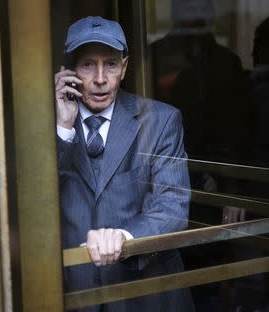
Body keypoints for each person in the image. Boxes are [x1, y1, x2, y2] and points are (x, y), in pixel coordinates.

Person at [54, 16, 194, 311]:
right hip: (73, 291)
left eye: (111, 64)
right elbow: (31, 206)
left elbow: (173, 207)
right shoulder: (45, 126)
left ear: (125, 67)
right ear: (68, 71)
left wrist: (124, 236)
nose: (101, 78)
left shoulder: (161, 120)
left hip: (147, 292)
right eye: (88, 65)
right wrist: (63, 129)